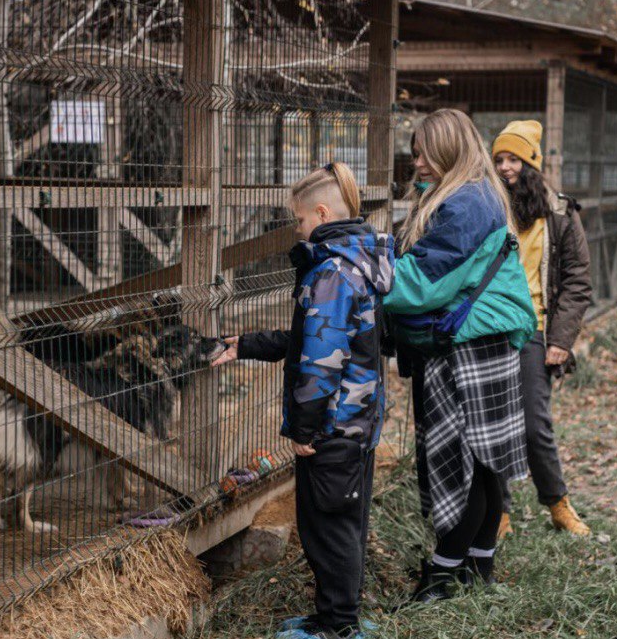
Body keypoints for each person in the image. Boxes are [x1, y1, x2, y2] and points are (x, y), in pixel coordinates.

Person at [211, 162, 395, 639]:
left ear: (319, 212)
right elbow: (314, 335)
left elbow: (319, 361)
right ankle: (336, 618)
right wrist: (249, 344)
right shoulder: (356, 260)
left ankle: (337, 627)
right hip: (356, 420)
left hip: (332, 426)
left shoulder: (331, 270)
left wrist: (305, 428)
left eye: (298, 220)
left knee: (328, 529)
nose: (297, 228)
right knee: (341, 523)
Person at [384, 108, 537, 602]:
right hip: (482, 340)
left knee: (461, 465)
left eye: (425, 153)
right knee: (485, 464)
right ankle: (479, 568)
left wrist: (366, 273)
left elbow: (419, 285)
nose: (418, 162)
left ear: (450, 149)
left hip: (467, 345)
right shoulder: (472, 192)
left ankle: (442, 576)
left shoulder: (465, 202)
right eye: (415, 154)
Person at [492, 120, 594, 538]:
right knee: (493, 421)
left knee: (535, 424)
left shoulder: (559, 214)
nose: (504, 167)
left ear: (531, 162)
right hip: (491, 329)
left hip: (534, 330)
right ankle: (498, 513)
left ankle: (558, 505)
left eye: (513, 158)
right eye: (498, 158)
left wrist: (561, 341)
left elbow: (577, 280)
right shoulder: (488, 206)